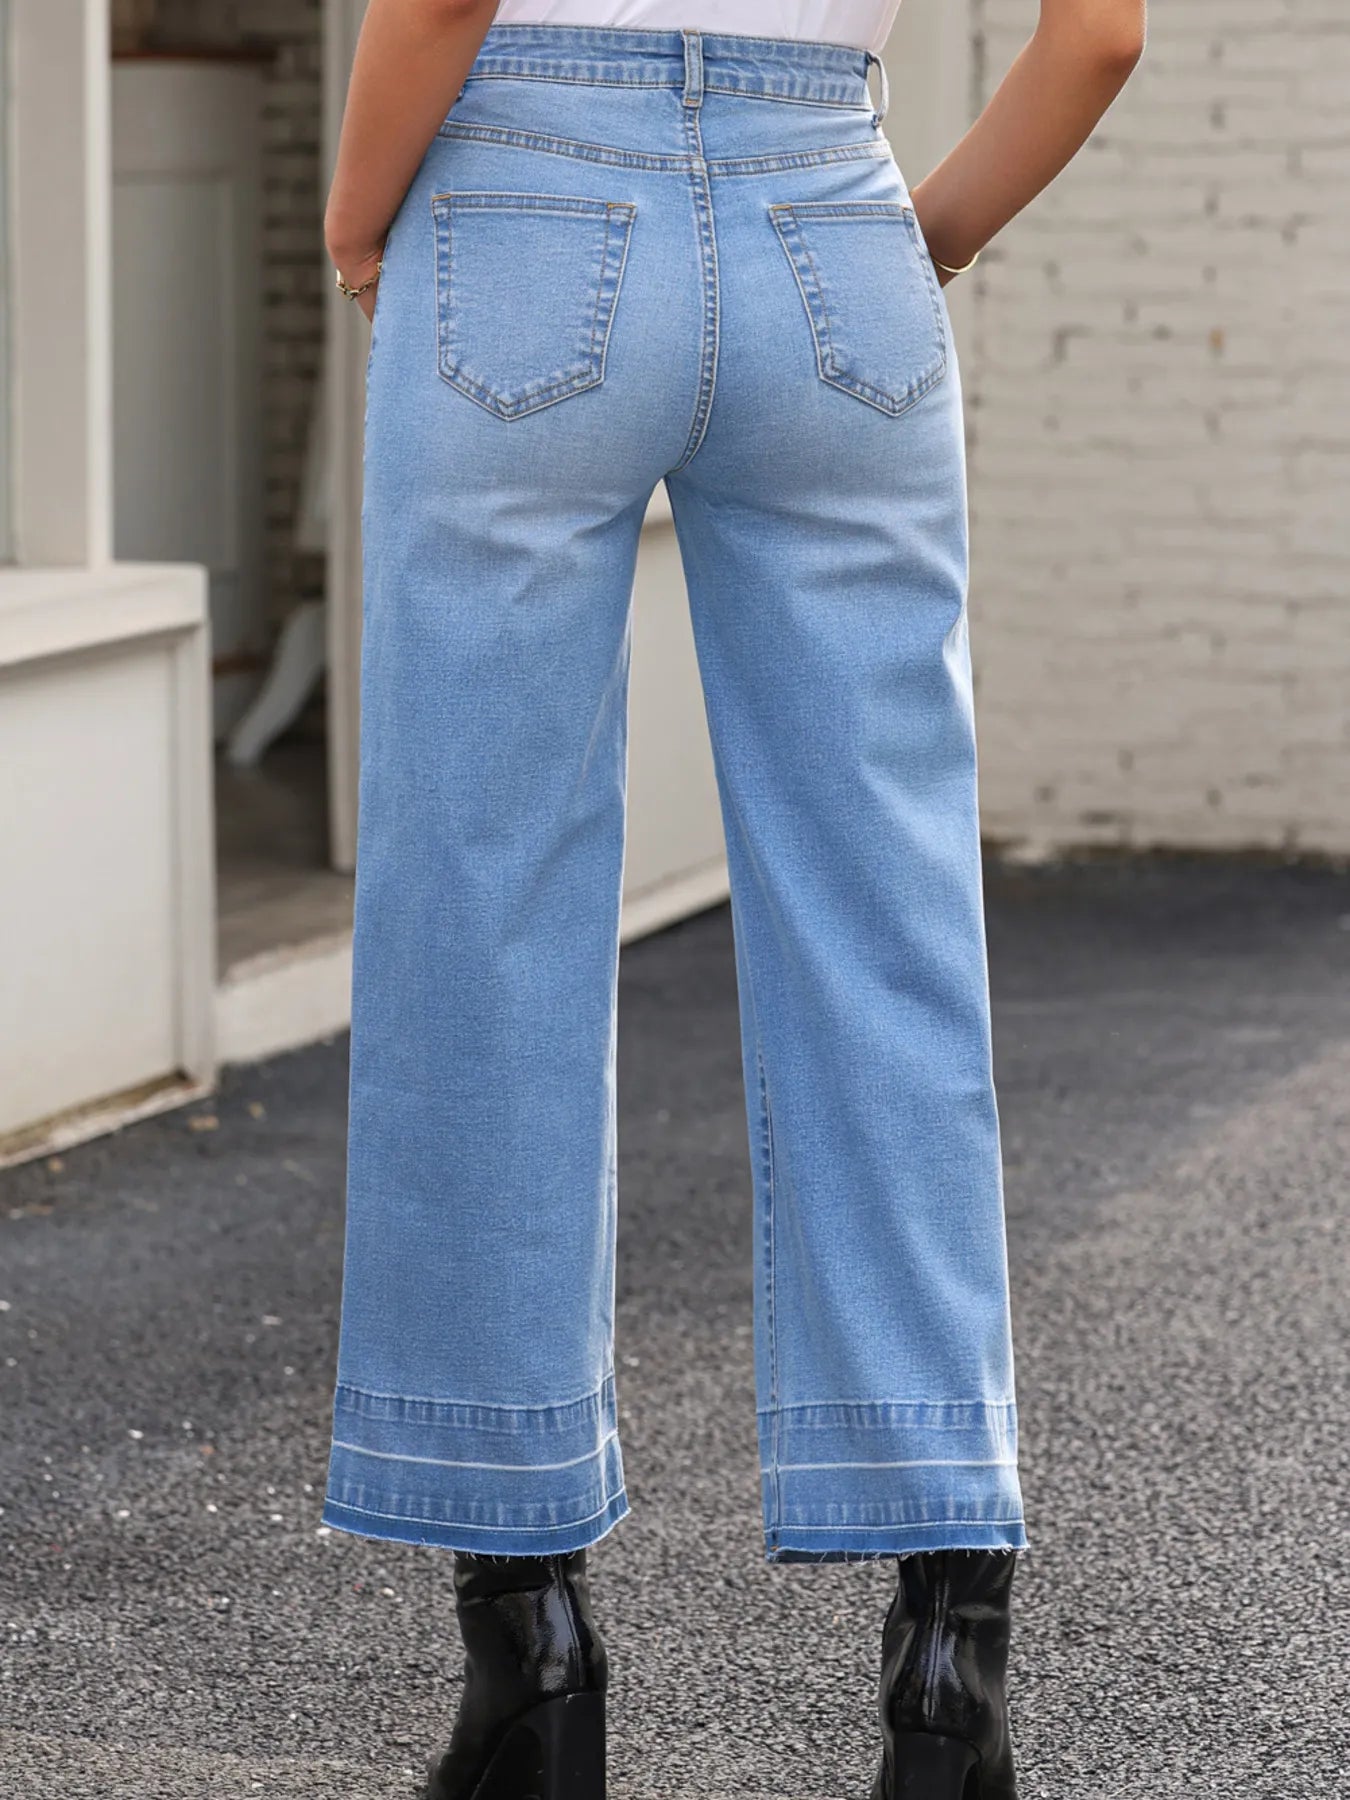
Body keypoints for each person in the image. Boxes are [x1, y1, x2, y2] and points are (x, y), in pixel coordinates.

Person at [321, 0, 1144, 1794]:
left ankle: (528, 1653)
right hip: (829, 219)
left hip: (517, 209)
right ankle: (948, 1664)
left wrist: (359, 210)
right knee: (889, 932)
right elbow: (1094, 36)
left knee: (488, 913)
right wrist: (901, 236)